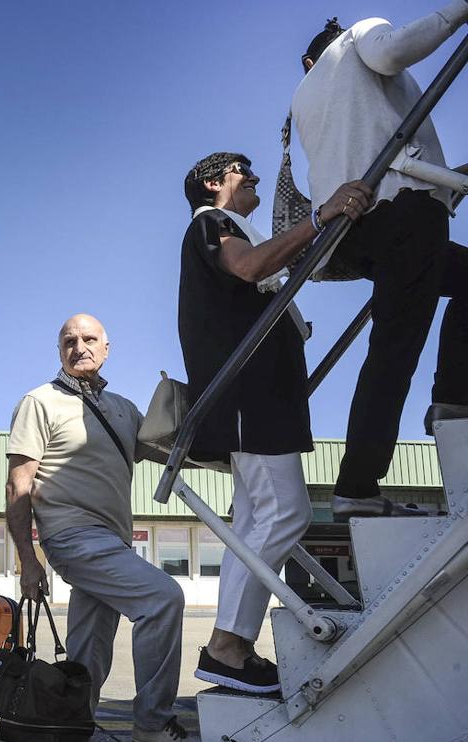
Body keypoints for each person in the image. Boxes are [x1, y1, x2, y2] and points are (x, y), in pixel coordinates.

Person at [181, 153, 370, 692]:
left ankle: (230, 649)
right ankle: (226, 647)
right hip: (248, 397)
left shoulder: (235, 226)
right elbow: (249, 266)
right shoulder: (212, 223)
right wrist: (322, 214)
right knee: (284, 510)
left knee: (257, 521)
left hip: (261, 397)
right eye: (243, 168)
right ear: (214, 183)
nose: (257, 174)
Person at [6, 314, 201, 742]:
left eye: (88, 339)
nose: (79, 347)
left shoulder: (122, 408)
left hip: (110, 541)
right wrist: (28, 560)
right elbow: (18, 486)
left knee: (86, 667)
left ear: (107, 348)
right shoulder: (39, 401)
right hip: (71, 535)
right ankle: (152, 722)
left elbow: (169, 450)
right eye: (69, 341)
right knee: (163, 599)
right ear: (59, 350)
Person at [292, 6, 468, 518]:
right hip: (404, 212)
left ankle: (452, 401)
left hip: (354, 229)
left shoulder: (304, 98)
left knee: (395, 341)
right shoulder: (357, 38)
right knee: (396, 347)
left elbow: (363, 152)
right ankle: (359, 482)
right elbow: (391, 51)